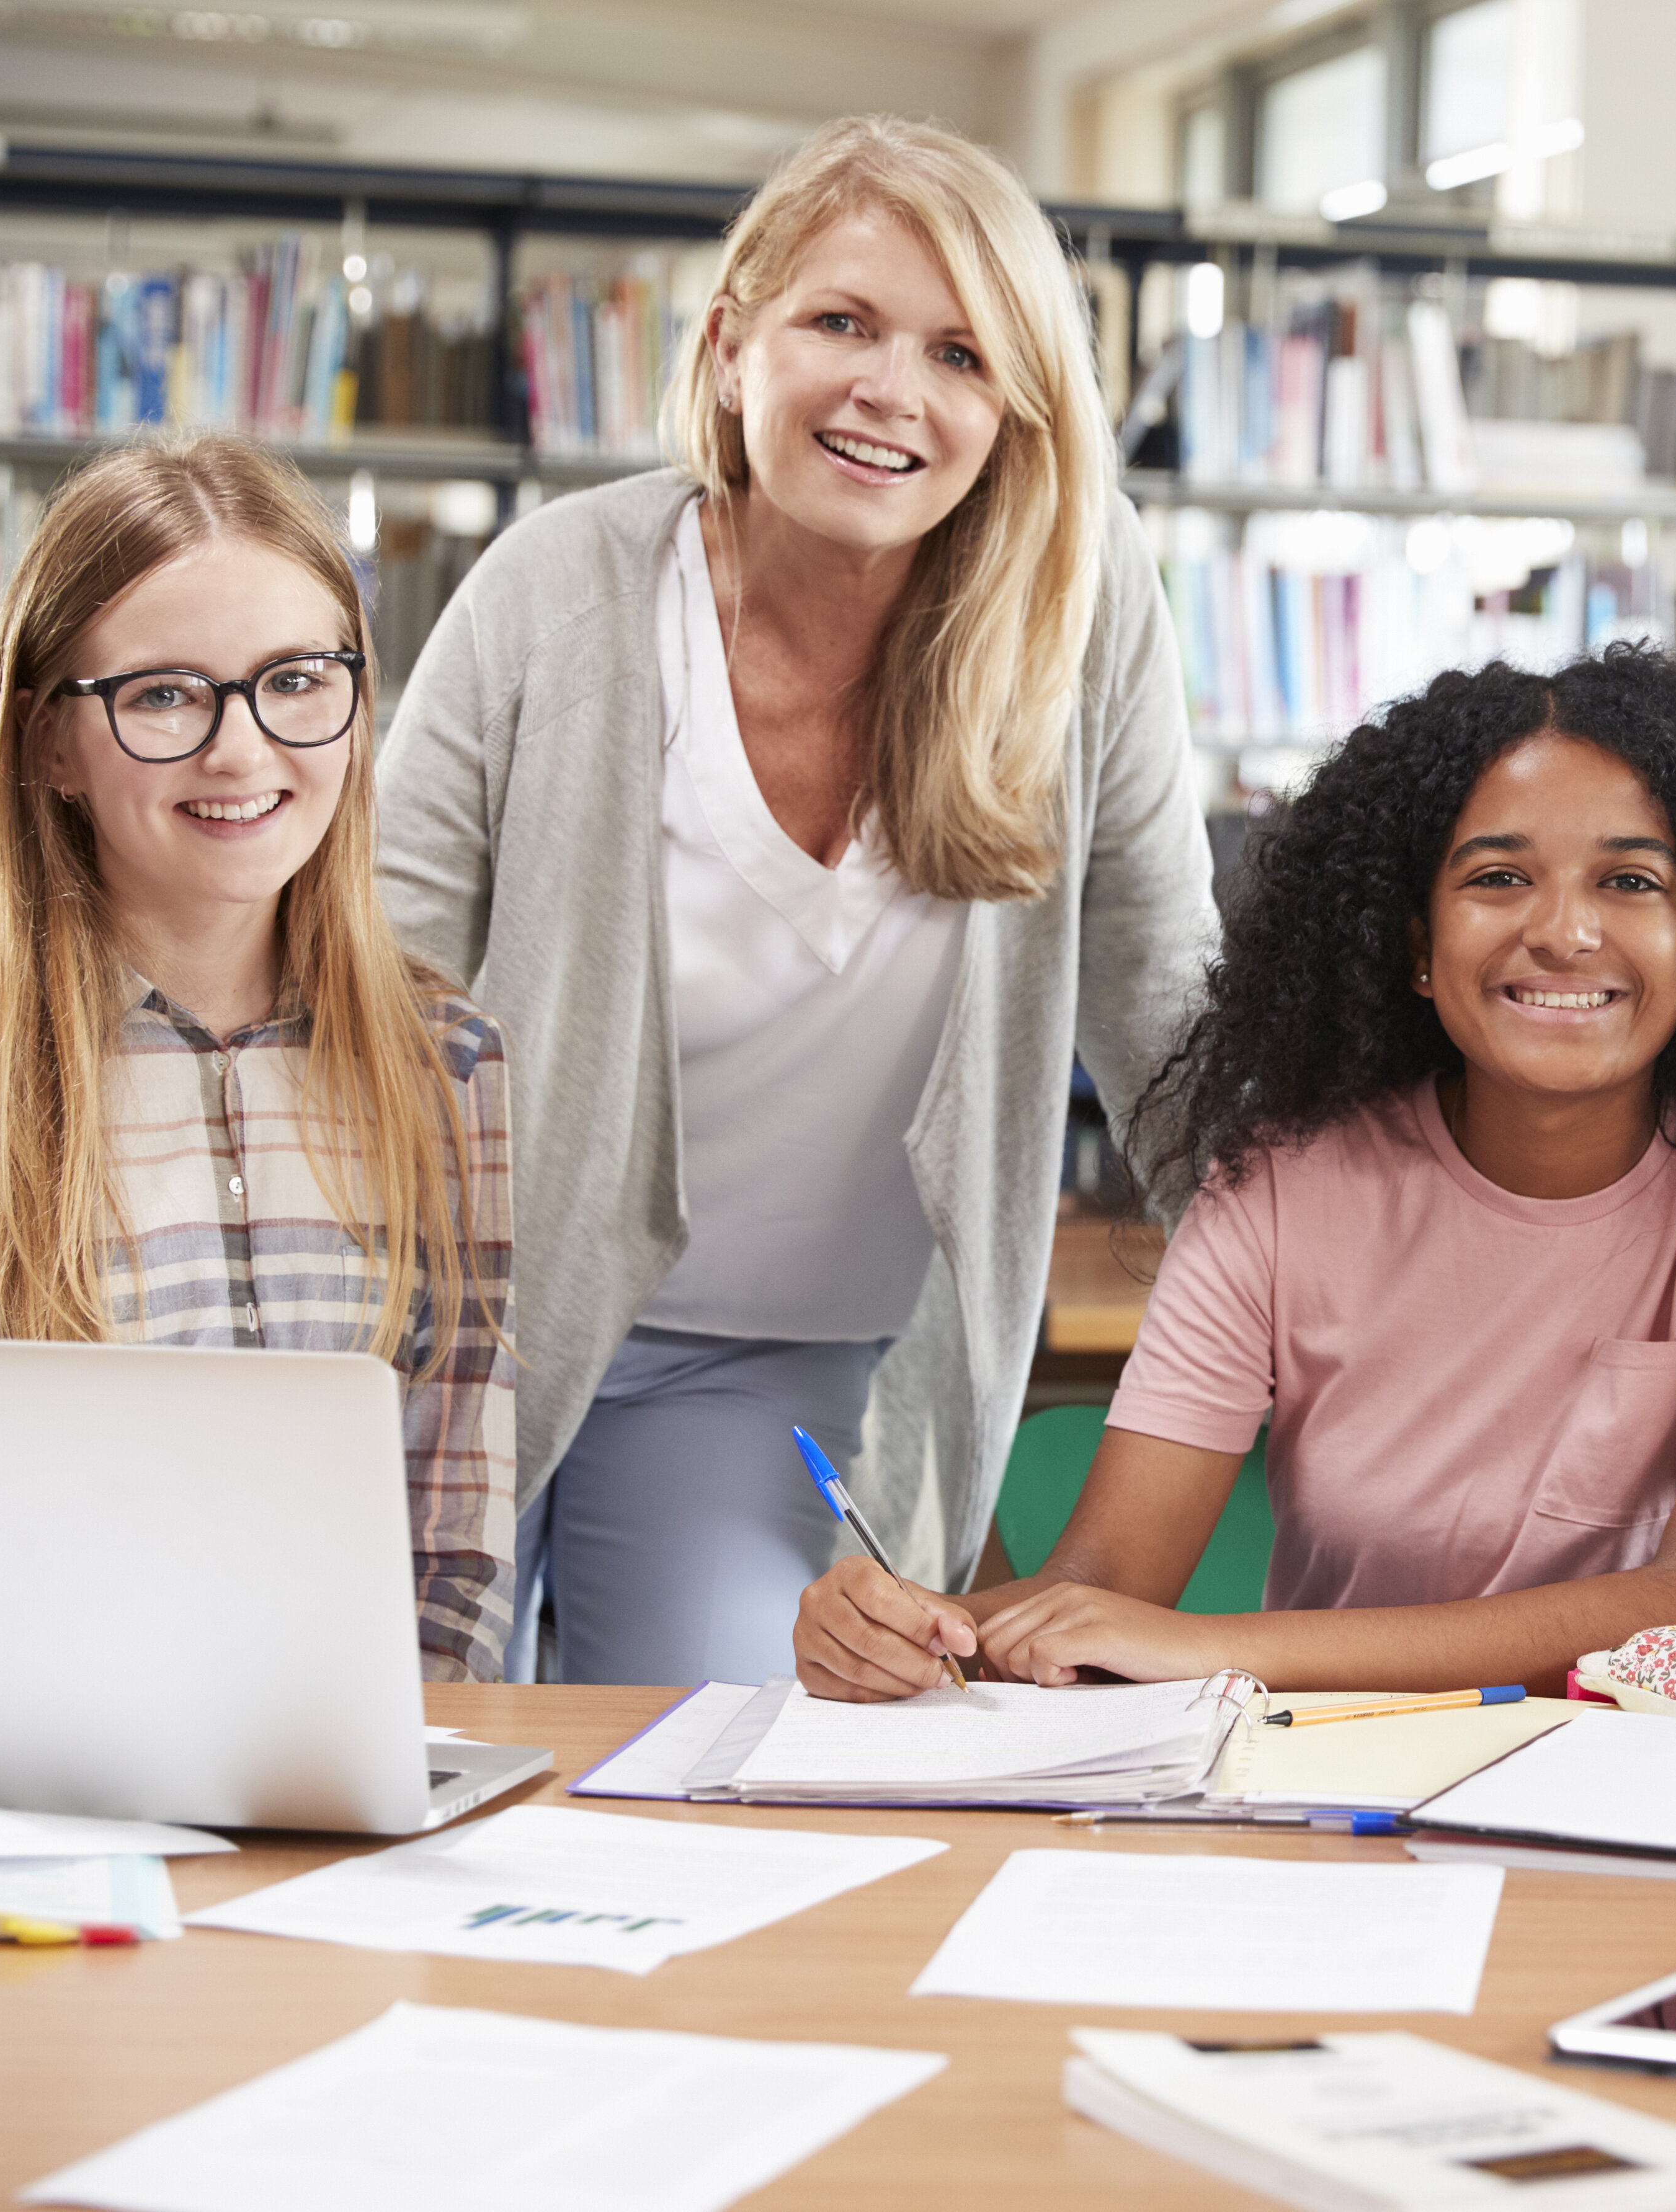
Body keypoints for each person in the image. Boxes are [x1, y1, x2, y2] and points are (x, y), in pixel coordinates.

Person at [377, 117, 1216, 1687]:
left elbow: (1165, 996)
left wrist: (1343, 1283)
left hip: (757, 1371)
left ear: (1017, 410)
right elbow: (370, 979)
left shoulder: (1078, 619)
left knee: (733, 1779)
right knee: (387, 1764)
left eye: (962, 352)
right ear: (731, 347)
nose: (892, 389)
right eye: (842, 322)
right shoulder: (558, 589)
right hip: (457, 1330)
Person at [792, 647, 1676, 1699]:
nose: (1565, 930)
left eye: (1631, 881)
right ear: (1417, 947)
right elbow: (1102, 1588)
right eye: (1497, 877)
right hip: (1331, 1804)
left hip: (1652, 1825)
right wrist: (914, 1632)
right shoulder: (1280, 1185)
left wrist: (1216, 1650)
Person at [0, 435, 514, 1681]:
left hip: (339, 1786)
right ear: (48, 745)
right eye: (162, 695)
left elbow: (454, 1534)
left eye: (298, 678)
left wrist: (402, 1756)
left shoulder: (450, 1068)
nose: (244, 750)